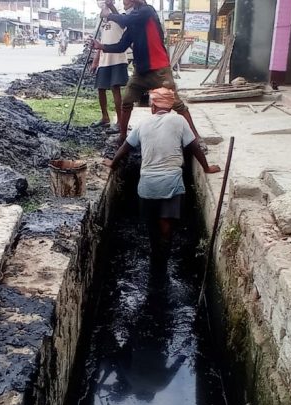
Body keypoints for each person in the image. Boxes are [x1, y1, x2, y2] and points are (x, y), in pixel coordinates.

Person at [104, 88, 221, 275]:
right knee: (166, 225)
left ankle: (154, 257)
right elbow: (194, 147)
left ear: (153, 105)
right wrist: (207, 168)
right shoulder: (179, 121)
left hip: (147, 185)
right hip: (172, 183)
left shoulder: (143, 124)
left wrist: (112, 164)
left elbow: (125, 147)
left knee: (151, 226)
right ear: (170, 106)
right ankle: (163, 260)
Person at [93, 0, 202, 145]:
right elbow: (121, 46)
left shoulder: (147, 11)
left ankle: (196, 138)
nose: (124, 1)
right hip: (140, 72)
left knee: (177, 104)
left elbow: (125, 19)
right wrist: (101, 46)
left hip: (159, 70)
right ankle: (123, 137)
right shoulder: (133, 22)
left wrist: (110, 14)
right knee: (126, 102)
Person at [90, 1, 128, 133]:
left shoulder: (119, 9)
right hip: (104, 59)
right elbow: (100, 41)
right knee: (101, 88)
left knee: (115, 88)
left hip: (117, 56)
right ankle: (105, 117)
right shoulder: (100, 17)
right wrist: (95, 61)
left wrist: (111, 7)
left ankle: (120, 121)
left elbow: (123, 23)